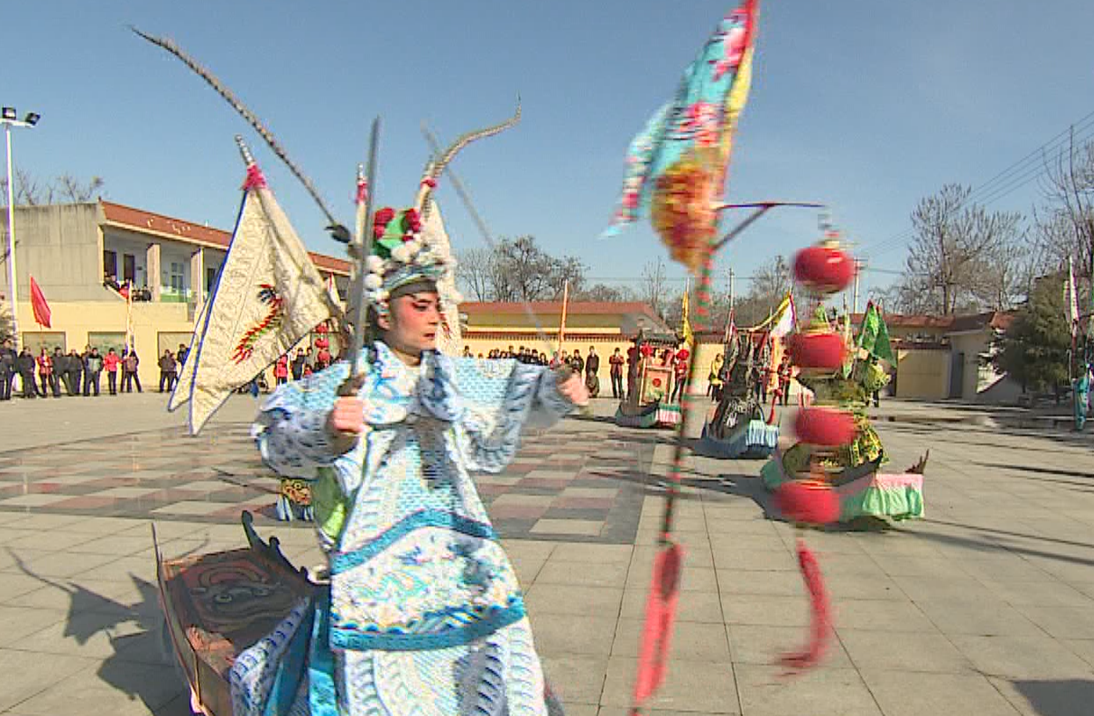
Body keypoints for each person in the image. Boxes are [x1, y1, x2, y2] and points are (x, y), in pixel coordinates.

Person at [242, 195, 587, 716]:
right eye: (418, 307)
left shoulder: (450, 375)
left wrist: (559, 390)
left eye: (436, 306)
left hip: (460, 549)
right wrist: (328, 431)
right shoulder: (345, 382)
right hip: (377, 564)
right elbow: (274, 440)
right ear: (383, 312)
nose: (432, 319)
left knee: (495, 660)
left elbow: (515, 389)